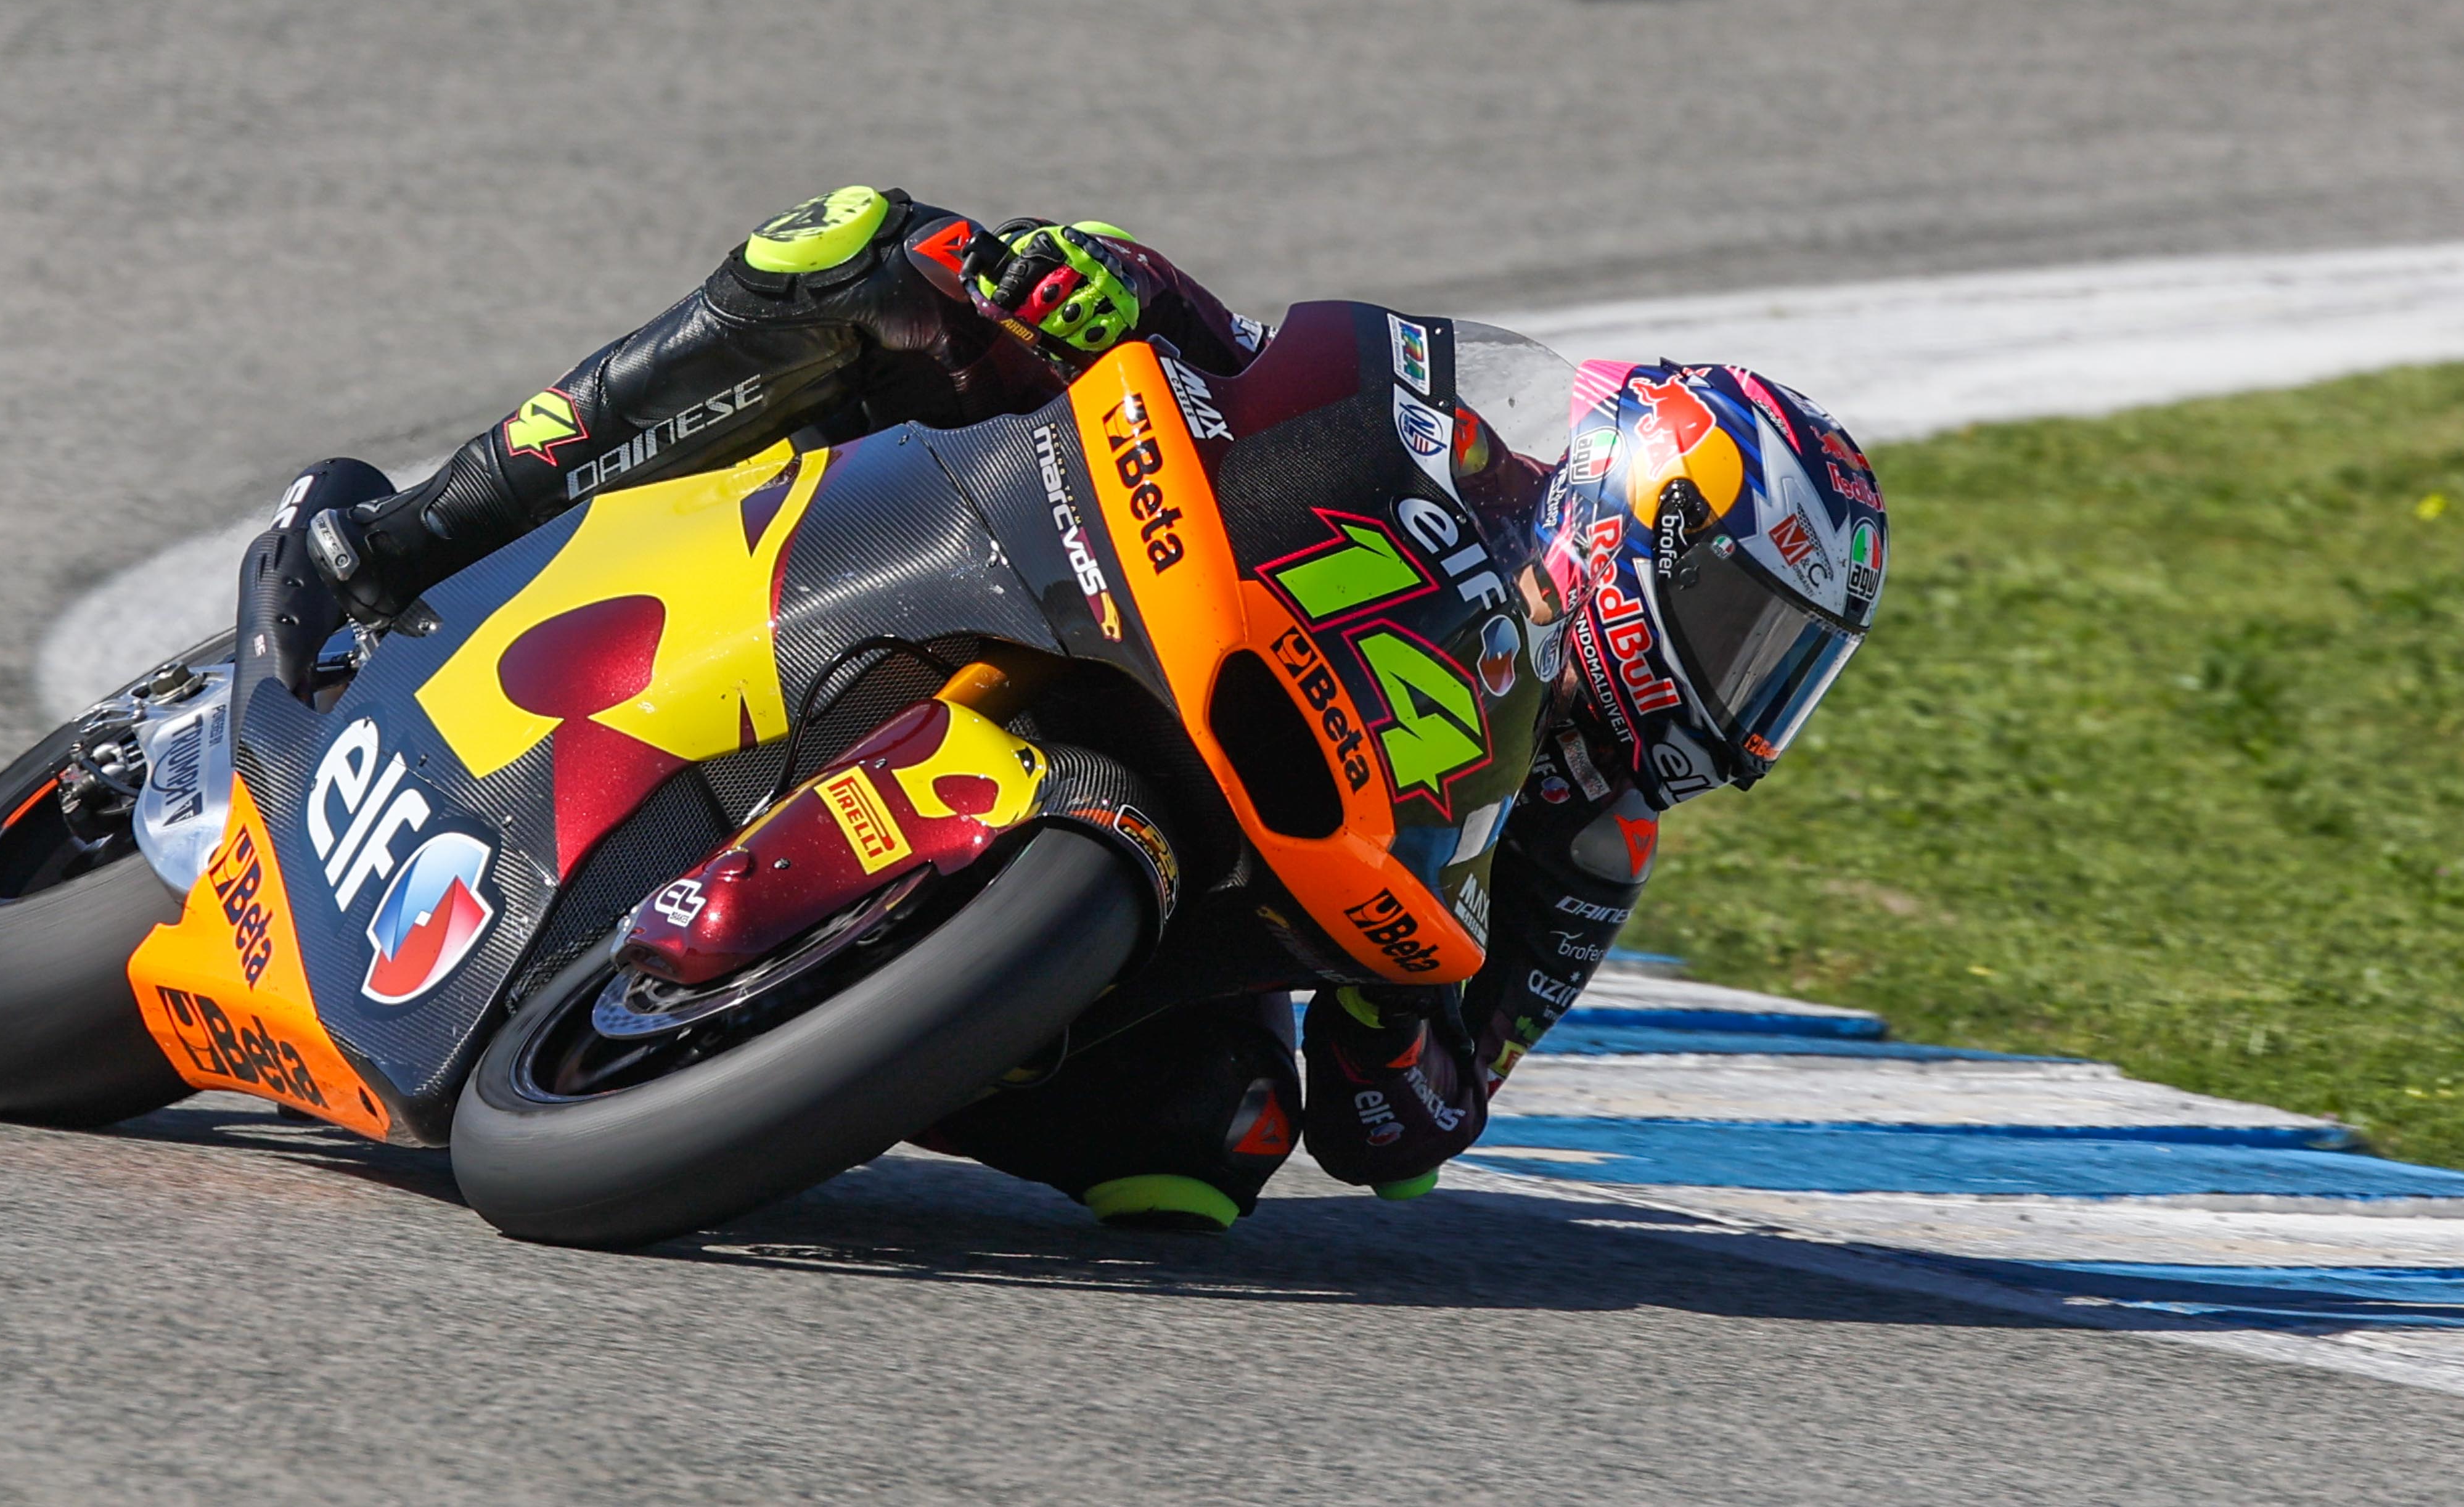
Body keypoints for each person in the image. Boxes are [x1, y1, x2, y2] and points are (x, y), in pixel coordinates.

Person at [293, 184, 1884, 1232]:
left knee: (1210, 1152)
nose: (1735, 694)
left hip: (1218, 857)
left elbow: (1409, 1129)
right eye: (1741, 631)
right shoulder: (1456, 449)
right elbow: (1245, 356)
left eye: (1778, 673)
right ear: (1630, 513)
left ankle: (826, 1046)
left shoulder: (1593, 831)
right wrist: (1090, 290)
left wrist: (1403, 1001)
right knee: (861, 250)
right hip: (1056, 565)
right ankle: (417, 537)